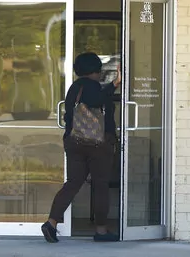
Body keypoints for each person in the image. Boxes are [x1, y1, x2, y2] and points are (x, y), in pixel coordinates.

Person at [41, 52, 121, 243]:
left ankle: (51, 222)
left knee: (73, 183)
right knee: (100, 185)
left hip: (74, 142)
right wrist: (115, 84)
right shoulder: (94, 87)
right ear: (96, 70)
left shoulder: (73, 88)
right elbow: (97, 100)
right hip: (98, 144)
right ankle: (101, 230)